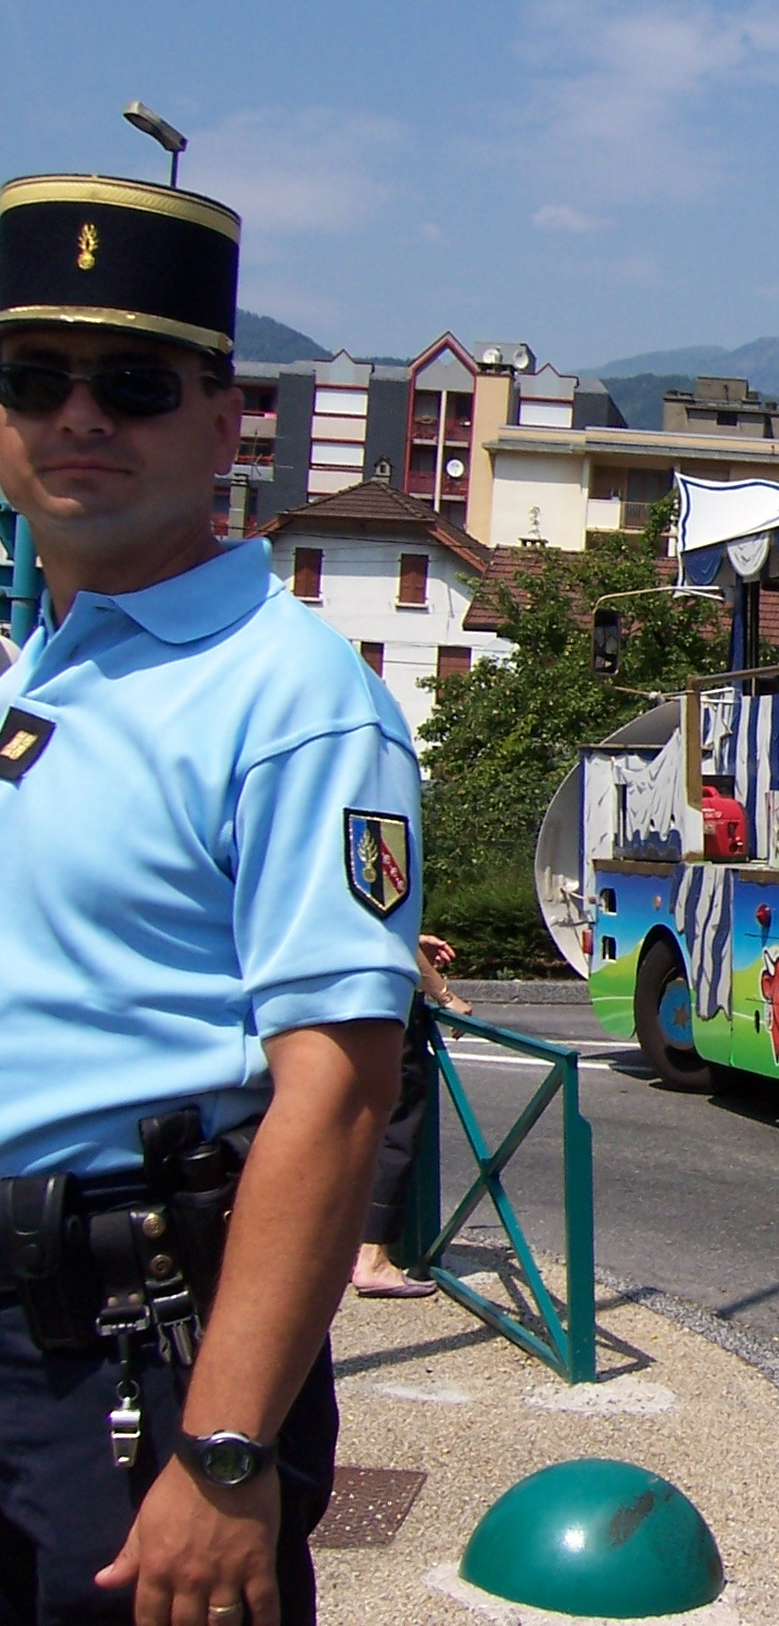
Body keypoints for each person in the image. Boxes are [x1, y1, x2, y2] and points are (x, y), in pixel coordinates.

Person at [0, 175, 418, 1625]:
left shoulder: (291, 696)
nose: (78, 419)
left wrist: (227, 1449)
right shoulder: (31, 677)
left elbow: (340, 1094)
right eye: (34, 380)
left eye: (132, 382)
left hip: (125, 1354)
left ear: (223, 413)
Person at [351, 935, 465, 1299]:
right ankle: (372, 1258)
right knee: (395, 1127)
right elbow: (388, 929)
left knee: (350, 1125)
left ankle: (347, 1247)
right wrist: (446, 995)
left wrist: (412, 937)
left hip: (337, 1001)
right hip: (381, 1005)